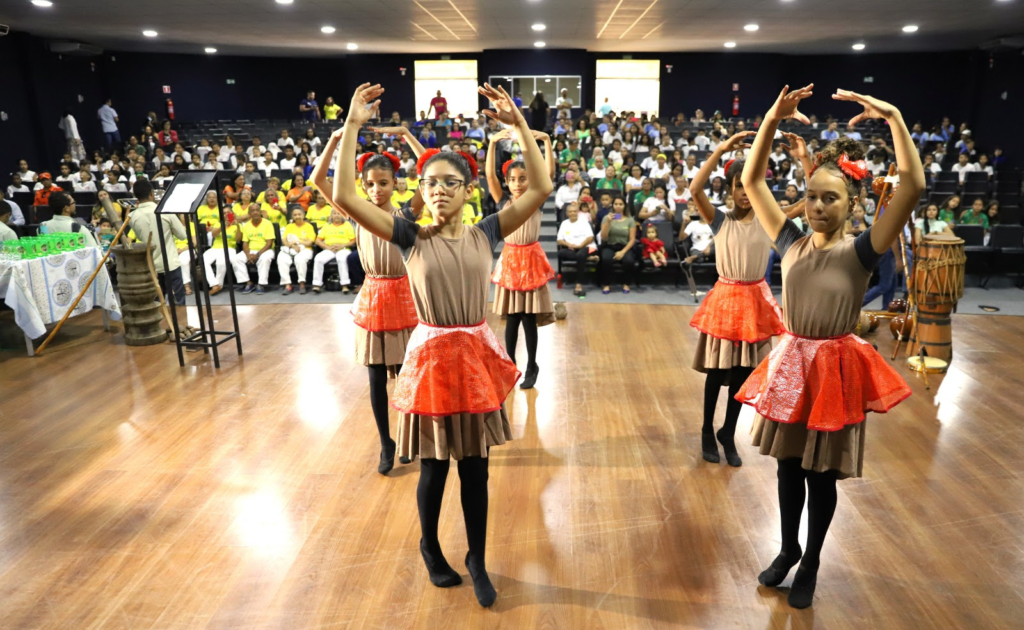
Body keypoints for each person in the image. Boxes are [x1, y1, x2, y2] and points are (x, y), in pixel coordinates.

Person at [332, 82, 551, 609]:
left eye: (450, 182)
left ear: (468, 190)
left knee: (476, 468)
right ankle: (430, 547)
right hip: (430, 359)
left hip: (474, 359)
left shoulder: (487, 232)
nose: (439, 190)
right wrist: (353, 126)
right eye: (430, 183)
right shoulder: (409, 237)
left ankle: (477, 557)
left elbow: (541, 187)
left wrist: (519, 126)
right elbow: (344, 196)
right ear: (421, 190)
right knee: (434, 467)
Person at [736, 85, 922, 609]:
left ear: (852, 203)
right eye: (812, 196)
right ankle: (788, 548)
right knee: (787, 466)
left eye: (830, 198)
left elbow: (912, 187)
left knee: (821, 476)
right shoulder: (789, 242)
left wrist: (894, 116)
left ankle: (812, 559)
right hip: (792, 364)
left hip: (834, 371)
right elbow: (751, 180)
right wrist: (771, 119)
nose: (817, 206)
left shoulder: (862, 251)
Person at [315, 129, 426, 474]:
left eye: (383, 183)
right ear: (362, 186)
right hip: (374, 297)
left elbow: (431, 169)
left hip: (405, 296)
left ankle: (408, 435)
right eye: (370, 184)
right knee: (376, 378)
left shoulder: (406, 214)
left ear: (396, 183)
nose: (376, 189)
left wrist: (406, 133)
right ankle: (386, 442)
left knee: (408, 375)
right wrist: (336, 139)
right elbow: (319, 179)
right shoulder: (357, 212)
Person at [485, 125, 556, 389]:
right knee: (512, 318)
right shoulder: (503, 200)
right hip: (510, 260)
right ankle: (510, 365)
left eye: (523, 179)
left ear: (529, 180)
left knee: (528, 319)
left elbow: (548, 174)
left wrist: (546, 141)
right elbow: (489, 176)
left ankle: (532, 365)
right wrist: (492, 143)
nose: (517, 183)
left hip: (531, 260)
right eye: (513, 179)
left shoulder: (536, 199)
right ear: (507, 181)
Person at [126, 180, 196, 339]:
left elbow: (139, 236)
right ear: (152, 194)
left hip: (150, 266)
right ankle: (181, 329)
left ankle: (162, 330)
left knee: (157, 301)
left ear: (135, 196)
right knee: (177, 300)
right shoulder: (165, 211)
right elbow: (183, 235)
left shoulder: (133, 216)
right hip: (170, 263)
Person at [312, 209, 356, 294]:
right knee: (318, 258)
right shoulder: (326, 225)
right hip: (329, 249)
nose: (336, 215)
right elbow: (317, 241)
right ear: (331, 216)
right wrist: (327, 247)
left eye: (339, 213)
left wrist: (343, 245)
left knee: (341, 258)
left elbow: (353, 240)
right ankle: (317, 284)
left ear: (342, 215)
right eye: (334, 213)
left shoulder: (347, 225)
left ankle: (344, 285)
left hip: (344, 249)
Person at [598, 197, 636, 294]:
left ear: (624, 206)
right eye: (616, 204)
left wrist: (622, 252)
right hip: (610, 245)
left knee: (629, 261)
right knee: (606, 259)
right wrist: (608, 222)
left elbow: (632, 239)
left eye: (620, 204)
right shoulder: (606, 218)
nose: (618, 206)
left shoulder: (630, 220)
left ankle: (626, 284)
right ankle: (606, 284)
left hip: (625, 246)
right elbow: (604, 237)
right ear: (613, 205)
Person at [556, 202, 594, 296]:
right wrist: (568, 244)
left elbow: (590, 238)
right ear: (567, 213)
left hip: (586, 246)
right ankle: (588, 258)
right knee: (560, 253)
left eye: (574, 211)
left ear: (578, 212)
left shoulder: (584, 222)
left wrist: (580, 246)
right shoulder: (564, 223)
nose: (573, 213)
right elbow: (559, 240)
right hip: (571, 248)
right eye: (570, 211)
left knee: (580, 255)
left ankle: (578, 284)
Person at [239, 204, 277, 294]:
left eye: (257, 210)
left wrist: (257, 255)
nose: (255, 212)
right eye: (253, 211)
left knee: (264, 259)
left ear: (260, 212)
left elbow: (269, 244)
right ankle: (248, 283)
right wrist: (248, 255)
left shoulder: (268, 223)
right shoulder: (246, 225)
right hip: (251, 250)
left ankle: (261, 284)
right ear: (249, 213)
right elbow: (245, 243)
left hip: (266, 250)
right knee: (236, 259)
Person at [277, 207, 316, 295]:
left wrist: (297, 242)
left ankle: (302, 284)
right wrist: (293, 245)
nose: (297, 216)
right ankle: (287, 285)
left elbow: (309, 242)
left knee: (299, 259)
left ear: (303, 215)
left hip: (305, 249)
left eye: (299, 214)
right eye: (295, 215)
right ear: (292, 217)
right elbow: (284, 240)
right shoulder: (289, 226)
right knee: (281, 258)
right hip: (291, 248)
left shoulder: (309, 226)